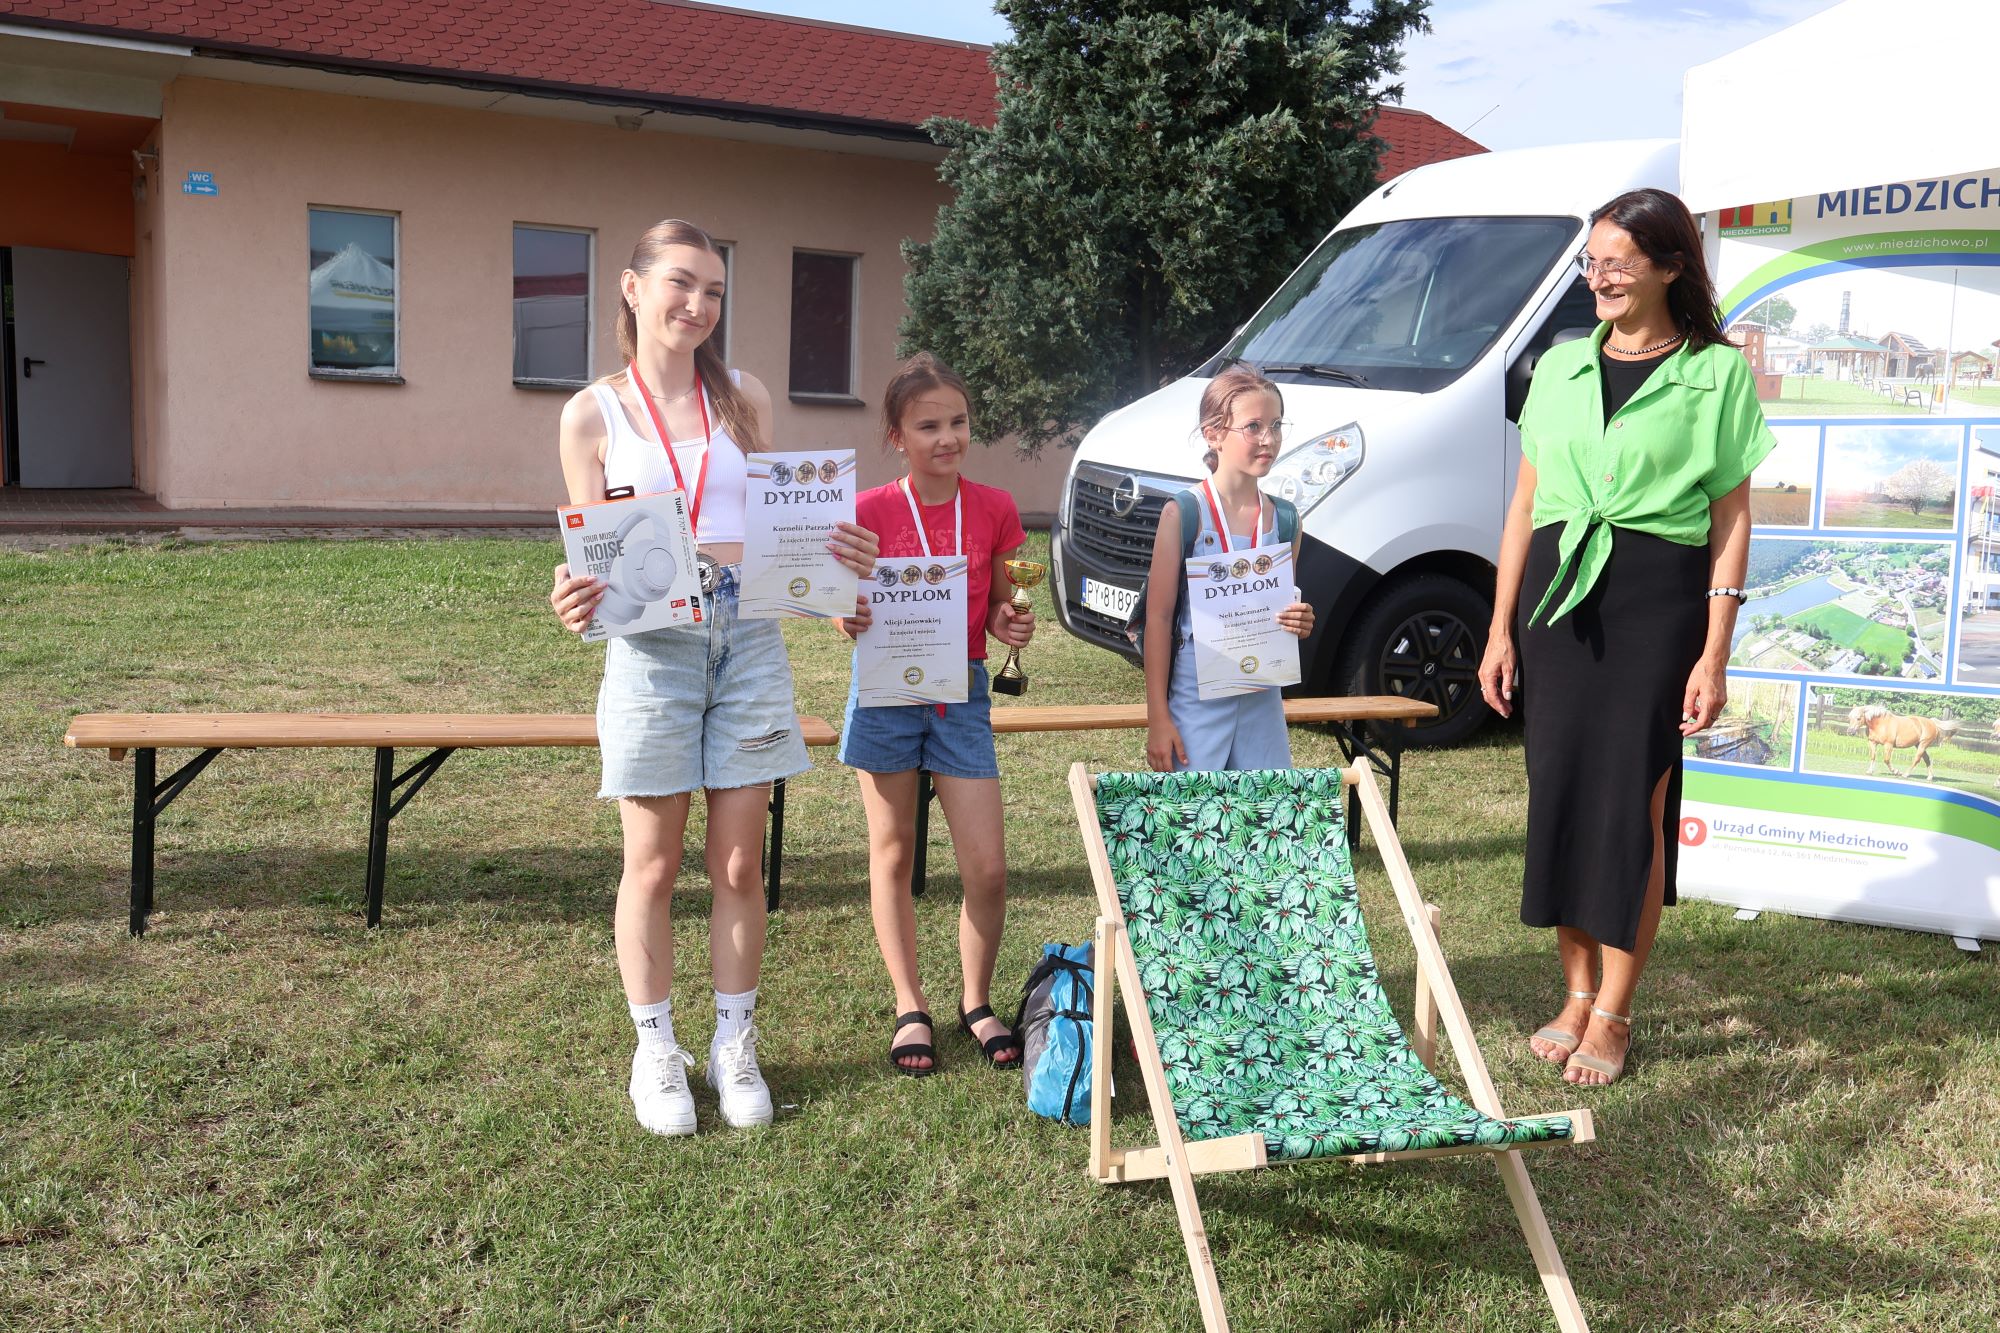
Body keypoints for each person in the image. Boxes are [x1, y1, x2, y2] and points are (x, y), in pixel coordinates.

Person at [548, 219, 880, 1134]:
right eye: (682, 284)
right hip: (652, 647)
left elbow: (786, 530)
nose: (698, 306)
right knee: (650, 864)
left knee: (738, 858)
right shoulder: (592, 414)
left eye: (715, 292)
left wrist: (839, 565)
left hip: (749, 639)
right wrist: (571, 596)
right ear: (632, 287)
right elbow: (587, 550)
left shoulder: (745, 398)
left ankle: (735, 1043)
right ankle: (656, 1050)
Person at [1477, 188, 1773, 1086]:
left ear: (1670, 266)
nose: (1599, 276)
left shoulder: (1717, 375)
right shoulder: (1561, 368)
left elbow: (1732, 517)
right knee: (1560, 794)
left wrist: (1716, 646)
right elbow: (1526, 506)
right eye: (1590, 261)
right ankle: (1572, 995)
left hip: (1657, 602)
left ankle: (1614, 1011)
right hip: (1558, 601)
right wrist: (1499, 630)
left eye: (1617, 261)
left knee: (1630, 806)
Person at [834, 354, 1034, 1076]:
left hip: (962, 694)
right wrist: (845, 615)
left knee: (987, 867)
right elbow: (842, 606)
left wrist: (1011, 624)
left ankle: (975, 1001)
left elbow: (1004, 604)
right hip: (886, 695)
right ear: (897, 435)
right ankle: (908, 1003)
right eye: (928, 425)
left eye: (957, 421)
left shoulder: (996, 507)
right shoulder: (867, 512)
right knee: (892, 852)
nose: (947, 437)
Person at [1143, 365, 1315, 773]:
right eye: (1252, 426)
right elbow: (1158, 616)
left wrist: (1299, 621)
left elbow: (1282, 610)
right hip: (1196, 695)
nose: (1268, 439)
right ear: (1213, 434)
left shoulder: (1287, 520)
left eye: (1275, 425)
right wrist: (1157, 717)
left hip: (1261, 698)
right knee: (1191, 824)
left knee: (1263, 820)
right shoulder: (1184, 513)